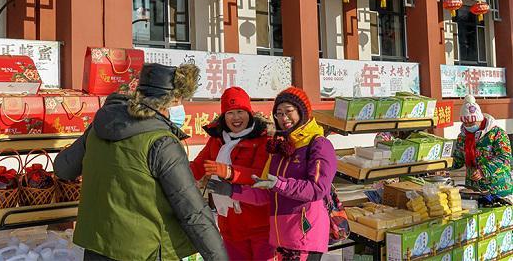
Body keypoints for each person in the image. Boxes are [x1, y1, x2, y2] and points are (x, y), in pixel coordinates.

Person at [53, 63, 228, 261]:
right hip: (144, 251)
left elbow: (63, 168)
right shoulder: (162, 142)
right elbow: (193, 211)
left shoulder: (99, 127)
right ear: (172, 101)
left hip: (97, 247)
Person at [208, 87, 337, 261]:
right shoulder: (279, 148)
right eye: (279, 113)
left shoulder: (319, 144)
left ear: (302, 111)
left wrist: (278, 184)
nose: (284, 118)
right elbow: (264, 192)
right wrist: (232, 191)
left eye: (288, 111)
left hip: (305, 235)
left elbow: (317, 189)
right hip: (280, 236)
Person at [190, 87, 274, 260]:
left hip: (259, 224)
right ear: (223, 116)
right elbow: (198, 166)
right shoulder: (217, 139)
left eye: (240, 112)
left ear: (249, 113)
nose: (236, 118)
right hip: (229, 224)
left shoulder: (263, 139)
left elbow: (261, 175)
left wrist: (229, 172)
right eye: (230, 113)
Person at [453, 94, 513, 200]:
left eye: (472, 123)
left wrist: (483, 171)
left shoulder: (496, 133)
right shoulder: (462, 137)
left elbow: (505, 158)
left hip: (497, 189)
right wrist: (443, 165)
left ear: (480, 119)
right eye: (466, 123)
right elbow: (458, 159)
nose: (469, 126)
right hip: (473, 190)